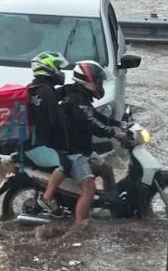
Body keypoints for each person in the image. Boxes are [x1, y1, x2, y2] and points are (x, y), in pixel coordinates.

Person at [59, 60, 129, 226]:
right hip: (73, 153)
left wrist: (119, 124)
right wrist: (113, 133)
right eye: (97, 80)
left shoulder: (82, 99)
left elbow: (96, 117)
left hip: (83, 150)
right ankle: (79, 227)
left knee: (107, 169)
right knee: (89, 188)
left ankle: (110, 208)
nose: (100, 84)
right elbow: (91, 124)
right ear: (88, 80)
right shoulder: (75, 101)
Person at [23, 51, 71, 218]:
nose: (61, 72)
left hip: (27, 144)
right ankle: (47, 198)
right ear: (49, 70)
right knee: (66, 163)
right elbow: (55, 123)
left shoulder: (33, 89)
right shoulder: (47, 93)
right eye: (58, 68)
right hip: (37, 147)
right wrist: (65, 146)